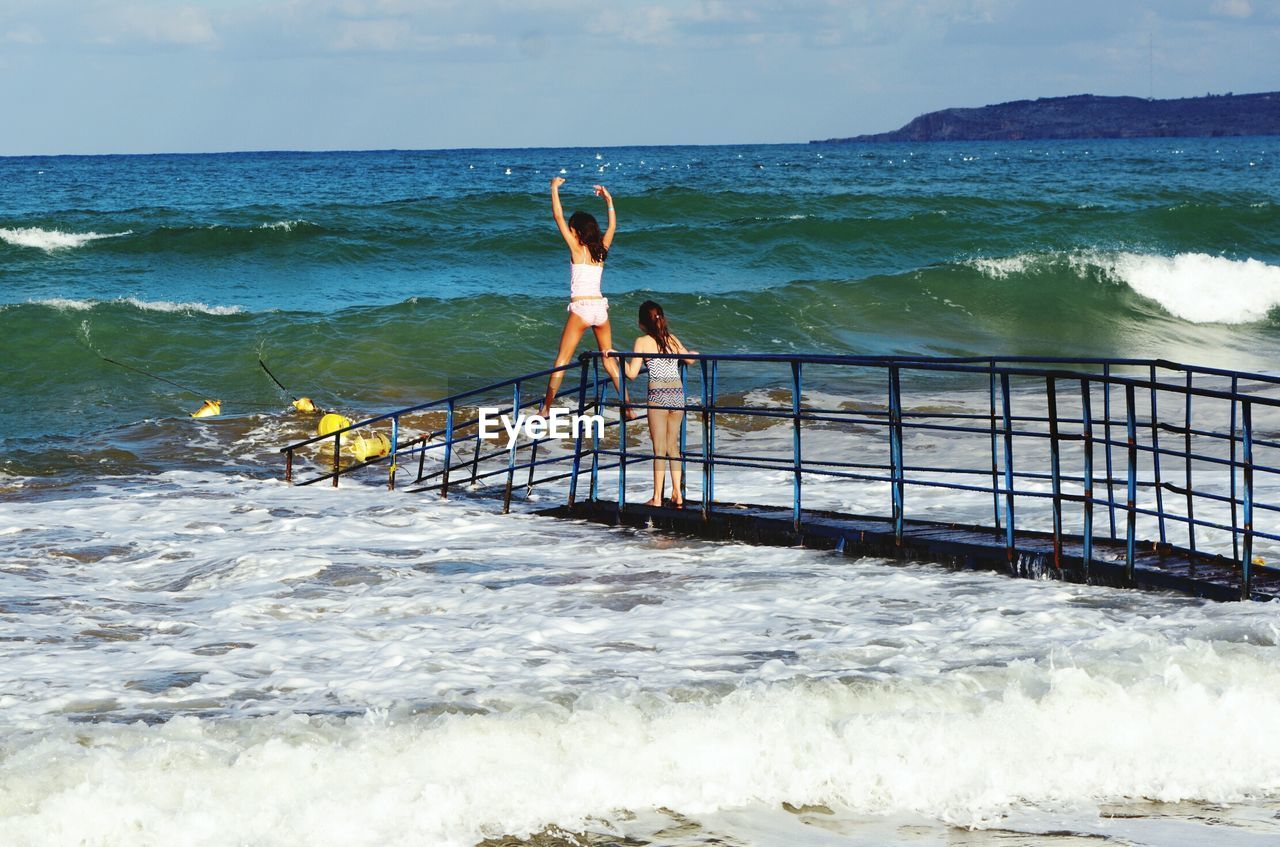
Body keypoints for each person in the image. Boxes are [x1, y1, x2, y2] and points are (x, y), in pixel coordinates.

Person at [538, 178, 634, 419]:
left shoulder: (577, 249)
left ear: (577, 232)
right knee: (609, 359)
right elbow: (612, 228)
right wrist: (609, 201)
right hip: (600, 309)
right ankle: (629, 407)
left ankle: (546, 408)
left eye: (572, 229)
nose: (569, 231)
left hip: (581, 308)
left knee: (562, 359)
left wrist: (553, 189)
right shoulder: (600, 249)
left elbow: (558, 217)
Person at [625, 300, 697, 507]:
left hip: (658, 395)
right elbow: (690, 359)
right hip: (677, 394)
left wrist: (615, 359)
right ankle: (677, 494)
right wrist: (695, 353)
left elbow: (631, 374)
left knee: (659, 449)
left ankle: (657, 498)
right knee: (672, 447)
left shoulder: (642, 341)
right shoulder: (671, 339)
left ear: (641, 324)